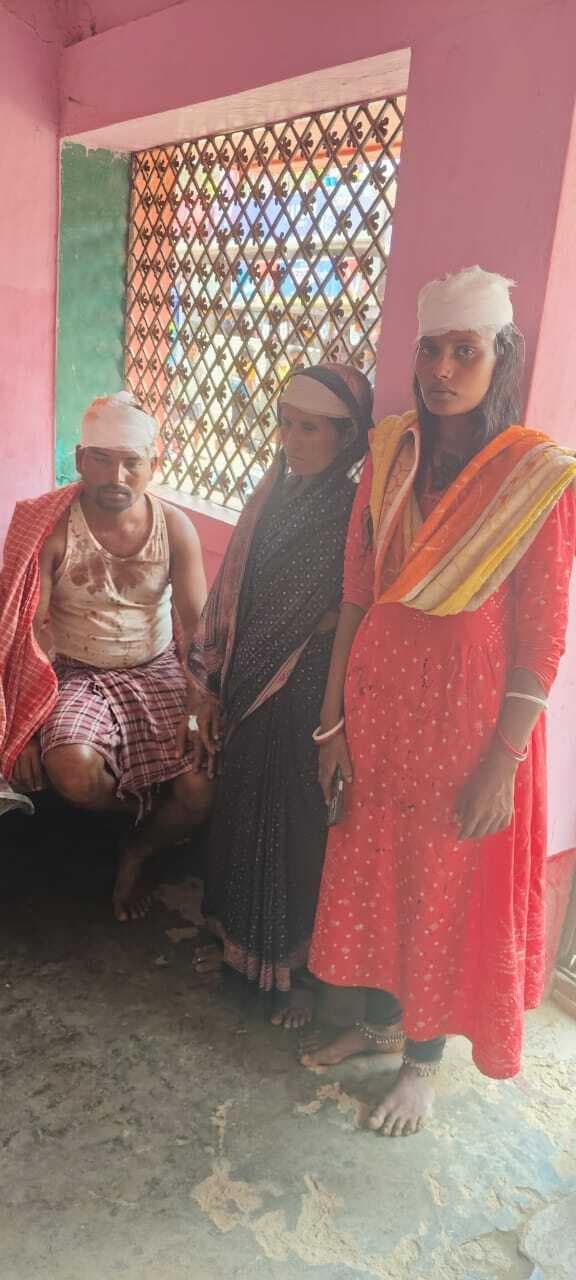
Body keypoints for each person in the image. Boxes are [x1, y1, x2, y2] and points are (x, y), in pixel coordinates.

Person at [301, 267, 576, 1134]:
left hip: (466, 730)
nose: (444, 369)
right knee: (379, 873)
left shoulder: (535, 475)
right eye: (431, 349)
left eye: (466, 351)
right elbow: (356, 593)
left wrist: (504, 759)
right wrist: (332, 723)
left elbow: (543, 637)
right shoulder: (393, 452)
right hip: (377, 711)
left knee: (439, 893)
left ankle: (422, 1065)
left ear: (502, 358)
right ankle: (382, 1024)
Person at [187, 364, 373, 1028]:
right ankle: (235, 947)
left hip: (307, 688)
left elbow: (355, 605)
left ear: (347, 436)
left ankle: (294, 975)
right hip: (248, 680)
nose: (292, 440)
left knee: (295, 826)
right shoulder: (271, 495)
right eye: (286, 424)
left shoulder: (352, 511)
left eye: (309, 428)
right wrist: (213, 686)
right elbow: (235, 593)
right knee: (240, 810)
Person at [1, 392, 211, 919]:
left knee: (201, 787)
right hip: (77, 672)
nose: (117, 476)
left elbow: (198, 629)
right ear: (79, 459)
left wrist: (197, 707)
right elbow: (25, 629)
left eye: (131, 462)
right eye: (102, 458)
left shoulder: (174, 527)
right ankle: (138, 818)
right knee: (72, 769)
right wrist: (23, 729)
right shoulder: (53, 527)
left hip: (157, 668)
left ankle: (137, 850)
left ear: (154, 465)